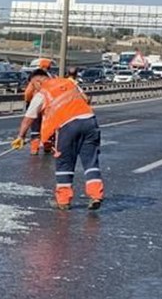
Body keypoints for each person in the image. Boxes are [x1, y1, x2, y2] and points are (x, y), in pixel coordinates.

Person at [12, 69, 104, 210]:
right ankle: (96, 195)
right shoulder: (69, 82)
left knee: (64, 163)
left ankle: (63, 201)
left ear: (37, 81)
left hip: (67, 126)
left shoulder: (42, 93)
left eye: (32, 85)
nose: (33, 89)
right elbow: (86, 99)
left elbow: (29, 117)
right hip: (90, 122)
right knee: (91, 161)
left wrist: (21, 136)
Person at [22, 59, 56, 155]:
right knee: (48, 125)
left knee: (35, 127)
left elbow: (28, 93)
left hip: (36, 104)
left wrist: (28, 102)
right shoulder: (53, 77)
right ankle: (48, 146)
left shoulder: (35, 77)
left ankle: (34, 148)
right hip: (49, 105)